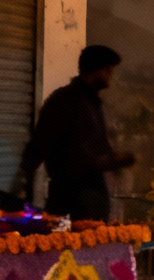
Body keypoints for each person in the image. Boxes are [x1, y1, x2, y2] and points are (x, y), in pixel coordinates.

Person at [18, 45, 135, 220]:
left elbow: (94, 149)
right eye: (108, 69)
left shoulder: (92, 102)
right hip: (72, 196)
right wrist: (19, 187)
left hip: (92, 194)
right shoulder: (65, 100)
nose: (111, 74)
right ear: (95, 69)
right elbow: (41, 144)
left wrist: (114, 160)